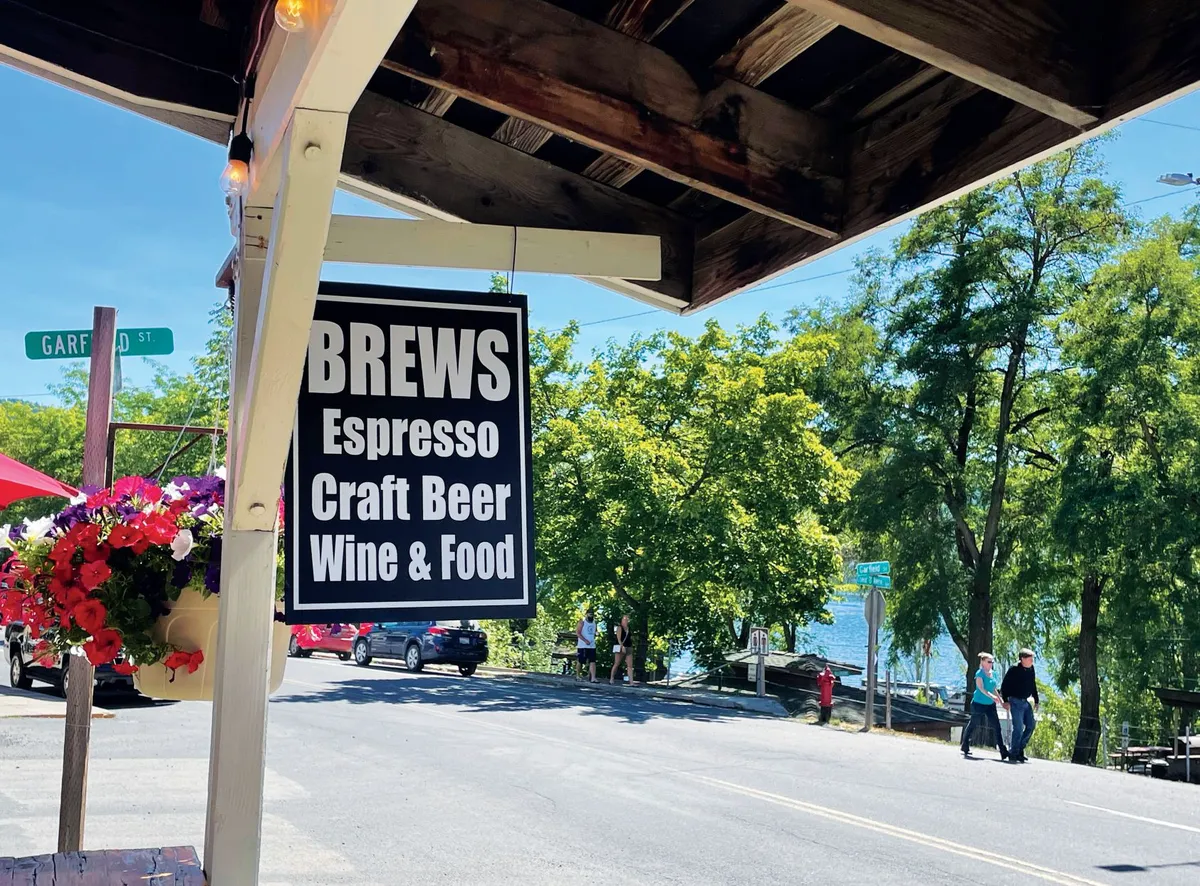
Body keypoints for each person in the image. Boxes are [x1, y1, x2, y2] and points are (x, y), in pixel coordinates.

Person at [961, 652, 1009, 760]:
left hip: (990, 705)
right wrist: (992, 697)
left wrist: (1001, 701)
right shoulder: (979, 674)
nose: (991, 664)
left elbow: (994, 689)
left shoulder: (994, 674)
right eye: (988, 662)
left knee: (997, 726)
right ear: (982, 662)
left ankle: (1002, 750)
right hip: (978, 703)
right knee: (974, 723)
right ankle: (965, 744)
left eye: (992, 662)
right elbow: (981, 688)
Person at [1001, 648, 1039, 763]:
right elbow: (1004, 686)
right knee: (1018, 728)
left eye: (1032, 659)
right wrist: (1005, 700)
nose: (1032, 661)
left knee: (1030, 726)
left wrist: (1036, 700)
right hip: (1015, 701)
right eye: (1030, 659)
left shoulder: (1031, 669)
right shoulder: (1014, 670)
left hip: (1025, 702)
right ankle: (1013, 753)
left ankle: (1019, 750)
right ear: (1022, 659)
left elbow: (1033, 685)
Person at [610, 614, 636, 685]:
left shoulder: (629, 628)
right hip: (620, 647)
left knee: (630, 665)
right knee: (617, 663)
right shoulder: (619, 628)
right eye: (625, 619)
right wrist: (622, 646)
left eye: (627, 619)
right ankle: (612, 678)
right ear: (622, 620)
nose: (626, 620)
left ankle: (631, 682)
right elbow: (618, 638)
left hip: (629, 646)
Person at [575, 608, 598, 683]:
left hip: (592, 645)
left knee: (592, 661)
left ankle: (593, 678)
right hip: (583, 645)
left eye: (592, 614)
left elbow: (594, 632)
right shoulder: (582, 622)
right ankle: (578, 676)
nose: (591, 616)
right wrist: (585, 640)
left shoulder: (594, 622)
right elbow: (578, 633)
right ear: (586, 614)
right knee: (580, 661)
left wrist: (596, 634)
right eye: (589, 614)